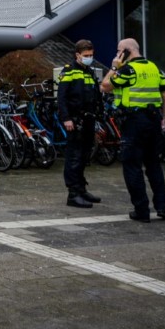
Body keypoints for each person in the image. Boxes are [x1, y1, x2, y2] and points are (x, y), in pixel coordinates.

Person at [100, 37, 165, 222]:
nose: (117, 54)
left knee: (132, 166)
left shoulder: (128, 70)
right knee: (154, 165)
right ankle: (163, 207)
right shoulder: (153, 68)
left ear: (126, 52)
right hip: (153, 120)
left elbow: (105, 86)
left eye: (118, 51)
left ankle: (142, 210)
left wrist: (114, 66)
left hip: (134, 123)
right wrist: (163, 118)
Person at [56, 39, 102, 209]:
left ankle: (81, 189)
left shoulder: (89, 71)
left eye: (91, 55)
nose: (89, 57)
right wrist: (66, 118)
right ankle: (73, 194)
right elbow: (62, 97)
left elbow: (95, 94)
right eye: (86, 55)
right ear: (77, 55)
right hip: (75, 120)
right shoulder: (69, 71)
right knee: (74, 157)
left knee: (84, 156)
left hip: (89, 119)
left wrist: (99, 114)